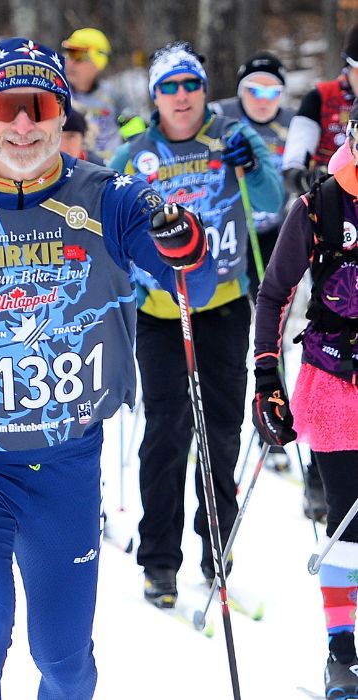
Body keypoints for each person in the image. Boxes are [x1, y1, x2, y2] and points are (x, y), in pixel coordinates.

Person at [0, 37, 216, 700]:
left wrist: (182, 241)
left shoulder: (107, 198)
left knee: (64, 662)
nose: (22, 124)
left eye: (40, 105)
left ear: (61, 112)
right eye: (5, 105)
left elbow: (191, 275)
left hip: (66, 464)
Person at [109, 41, 284, 608]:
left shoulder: (231, 135)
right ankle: (159, 559)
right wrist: (126, 277)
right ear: (155, 96)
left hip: (225, 306)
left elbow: (271, 198)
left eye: (191, 85)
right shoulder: (136, 152)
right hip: (161, 313)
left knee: (222, 429)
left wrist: (252, 163)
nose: (181, 97)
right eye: (169, 87)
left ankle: (218, 547)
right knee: (165, 433)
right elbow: (101, 220)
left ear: (204, 90)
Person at [252, 100, 358, 700]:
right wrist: (267, 377)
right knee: (349, 525)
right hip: (335, 383)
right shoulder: (319, 204)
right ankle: (342, 653)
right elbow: (273, 295)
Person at [209, 51, 306, 477]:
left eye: (272, 91)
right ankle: (216, 413)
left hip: (277, 234)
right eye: (254, 90)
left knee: (273, 327)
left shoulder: (293, 122)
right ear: (239, 89)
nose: (263, 100)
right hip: (231, 232)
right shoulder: (220, 115)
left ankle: (273, 411)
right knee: (229, 323)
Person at [282, 21, 358, 195]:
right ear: (347, 66)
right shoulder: (319, 98)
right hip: (331, 201)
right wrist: (309, 179)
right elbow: (291, 168)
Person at [61, 28, 133, 162]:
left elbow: (136, 138)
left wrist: (132, 124)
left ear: (98, 61)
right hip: (73, 171)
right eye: (68, 54)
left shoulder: (114, 97)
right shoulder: (57, 95)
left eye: (77, 56)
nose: (70, 63)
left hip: (109, 172)